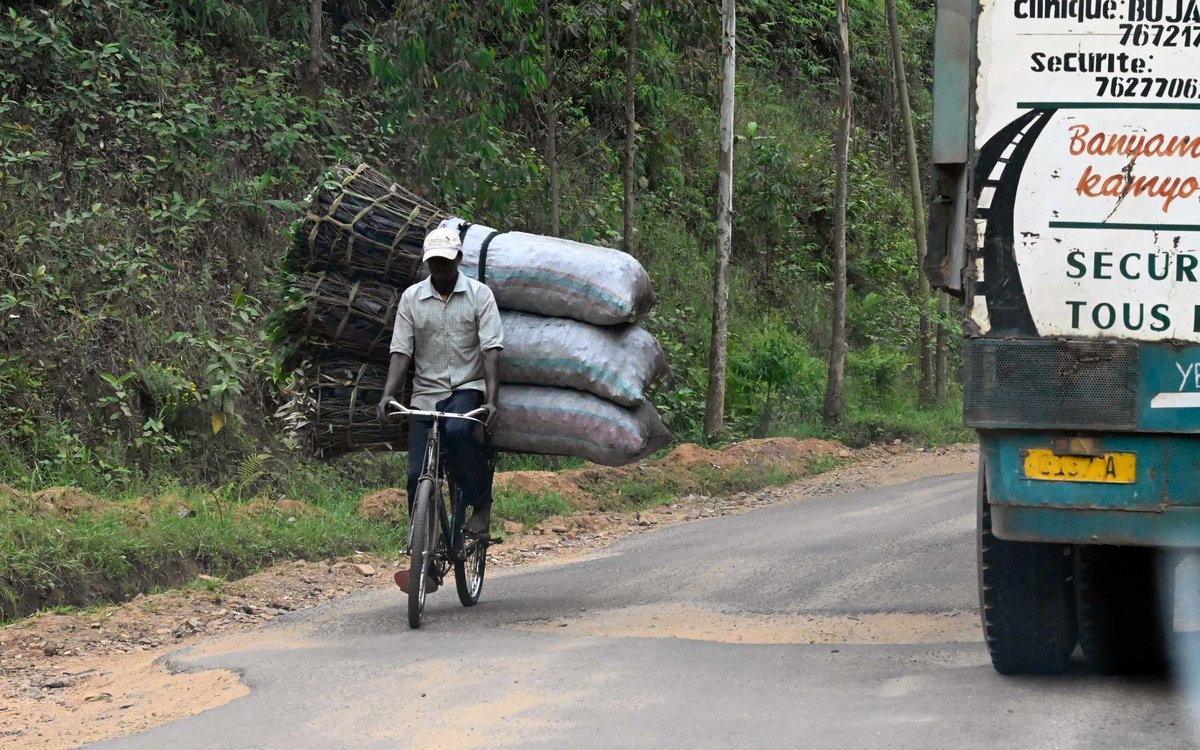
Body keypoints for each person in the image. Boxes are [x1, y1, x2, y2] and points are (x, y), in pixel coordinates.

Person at [376, 226, 503, 538]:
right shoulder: (412, 298)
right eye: (434, 262)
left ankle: (480, 504)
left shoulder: (479, 296)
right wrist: (387, 395)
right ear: (426, 262)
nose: (440, 269)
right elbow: (401, 351)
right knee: (415, 475)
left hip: (465, 389)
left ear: (458, 258)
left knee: (458, 433)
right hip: (425, 395)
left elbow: (490, 351)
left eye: (445, 262)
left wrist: (491, 400)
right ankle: (423, 550)